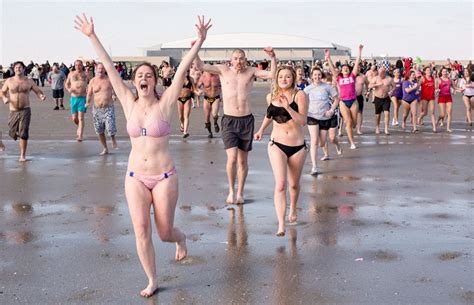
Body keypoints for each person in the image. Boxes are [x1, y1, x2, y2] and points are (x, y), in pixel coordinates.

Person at [75, 13, 211, 297]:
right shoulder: (127, 101)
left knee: (163, 232)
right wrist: (91, 36)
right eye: (140, 76)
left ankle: (180, 238)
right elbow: (110, 68)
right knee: (140, 229)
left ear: (155, 80)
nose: (144, 79)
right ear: (134, 81)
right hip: (135, 176)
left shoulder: (166, 102)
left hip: (164, 176)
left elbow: (184, 66)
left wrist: (199, 41)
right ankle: (152, 279)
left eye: (149, 75)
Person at [194, 47, 277, 204]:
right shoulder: (222, 70)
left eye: (241, 58)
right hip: (229, 121)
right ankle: (231, 191)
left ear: (245, 59)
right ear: (231, 60)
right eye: (236, 58)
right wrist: (196, 48)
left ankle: (240, 192)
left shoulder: (251, 71)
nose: (239, 61)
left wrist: (272, 57)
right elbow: (200, 66)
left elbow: (272, 74)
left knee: (243, 161)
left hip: (246, 120)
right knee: (232, 159)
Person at [254, 66, 307, 236]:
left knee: (293, 184)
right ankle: (281, 224)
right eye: (281, 77)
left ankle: (293, 209)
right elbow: (270, 114)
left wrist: (289, 108)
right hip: (276, 144)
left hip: (297, 146)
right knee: (281, 184)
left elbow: (303, 121)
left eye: (287, 77)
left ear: (293, 79)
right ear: (276, 79)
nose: (284, 79)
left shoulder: (300, 95)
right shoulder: (271, 96)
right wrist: (261, 130)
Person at [1, 61, 46, 161]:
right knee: (12, 131)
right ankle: (14, 133)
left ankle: (22, 155)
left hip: (25, 109)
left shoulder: (29, 81)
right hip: (13, 110)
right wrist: (4, 98)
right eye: (16, 67)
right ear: (14, 69)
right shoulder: (9, 81)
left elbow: (37, 91)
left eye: (20, 67)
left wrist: (41, 96)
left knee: (24, 133)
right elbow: (2, 92)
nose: (18, 69)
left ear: (23, 69)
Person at [304, 67, 342, 175]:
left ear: (322, 75)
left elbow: (337, 98)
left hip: (325, 117)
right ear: (311, 76)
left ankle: (335, 146)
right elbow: (300, 99)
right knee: (314, 141)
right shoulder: (308, 88)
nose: (317, 76)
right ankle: (314, 167)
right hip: (312, 117)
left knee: (322, 143)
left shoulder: (327, 87)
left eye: (319, 74)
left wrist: (331, 110)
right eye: (315, 75)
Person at [326, 45, 364, 149]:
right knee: (348, 122)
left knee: (354, 123)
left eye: (347, 67)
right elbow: (332, 69)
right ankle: (352, 143)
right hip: (343, 102)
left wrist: (359, 51)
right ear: (341, 71)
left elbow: (356, 64)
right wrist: (328, 58)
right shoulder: (338, 78)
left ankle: (353, 127)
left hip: (353, 101)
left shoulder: (352, 76)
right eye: (343, 68)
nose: (345, 69)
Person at [86, 63, 118, 155]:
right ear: (96, 69)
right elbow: (89, 93)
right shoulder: (92, 81)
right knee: (99, 130)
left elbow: (114, 90)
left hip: (108, 108)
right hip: (97, 109)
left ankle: (112, 138)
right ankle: (105, 148)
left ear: (105, 70)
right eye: (99, 68)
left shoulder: (109, 80)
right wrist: (87, 102)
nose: (100, 70)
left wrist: (113, 95)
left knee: (110, 127)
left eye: (102, 68)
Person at [65, 59, 89, 141]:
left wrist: (89, 91)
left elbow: (90, 83)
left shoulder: (86, 74)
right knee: (74, 118)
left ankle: (80, 136)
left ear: (82, 65)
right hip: (74, 98)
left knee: (81, 118)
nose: (78, 66)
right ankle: (79, 126)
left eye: (79, 65)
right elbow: (66, 84)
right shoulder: (71, 74)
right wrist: (68, 89)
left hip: (82, 98)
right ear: (74, 66)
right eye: (76, 65)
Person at [197, 70, 221, 138]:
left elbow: (225, 84)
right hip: (206, 98)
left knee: (215, 114)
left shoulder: (217, 76)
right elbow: (197, 86)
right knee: (206, 118)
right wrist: (198, 91)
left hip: (216, 97)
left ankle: (215, 123)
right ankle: (210, 132)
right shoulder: (203, 77)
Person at [368, 66, 393, 135]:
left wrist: (391, 91)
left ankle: (386, 129)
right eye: (380, 73)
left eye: (382, 72)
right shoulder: (375, 78)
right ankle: (377, 127)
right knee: (378, 115)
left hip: (386, 98)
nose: (381, 74)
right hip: (378, 98)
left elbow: (394, 86)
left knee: (387, 113)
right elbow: (369, 86)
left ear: (385, 72)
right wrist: (376, 84)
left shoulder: (389, 79)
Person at [417, 67, 437, 132]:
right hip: (424, 97)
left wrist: (437, 90)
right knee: (424, 113)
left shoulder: (433, 78)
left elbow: (435, 87)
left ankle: (434, 128)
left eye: (430, 70)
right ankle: (420, 118)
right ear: (425, 71)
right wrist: (416, 91)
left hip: (431, 97)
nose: (429, 71)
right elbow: (417, 86)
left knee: (432, 112)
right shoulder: (423, 78)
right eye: (427, 70)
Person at [436, 67, 455, 132]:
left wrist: (461, 90)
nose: (445, 73)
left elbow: (455, 87)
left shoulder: (450, 80)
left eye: (446, 71)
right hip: (441, 97)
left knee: (449, 112)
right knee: (443, 114)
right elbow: (436, 88)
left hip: (448, 97)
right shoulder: (438, 80)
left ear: (447, 72)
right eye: (443, 71)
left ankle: (448, 128)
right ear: (441, 72)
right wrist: (437, 90)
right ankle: (437, 121)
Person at [177, 72, 195, 138]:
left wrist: (196, 93)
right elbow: (174, 87)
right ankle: (182, 124)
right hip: (179, 99)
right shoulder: (179, 78)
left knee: (186, 116)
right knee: (180, 116)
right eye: (185, 71)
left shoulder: (191, 79)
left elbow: (194, 88)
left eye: (188, 71)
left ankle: (185, 132)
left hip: (188, 98)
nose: (186, 72)